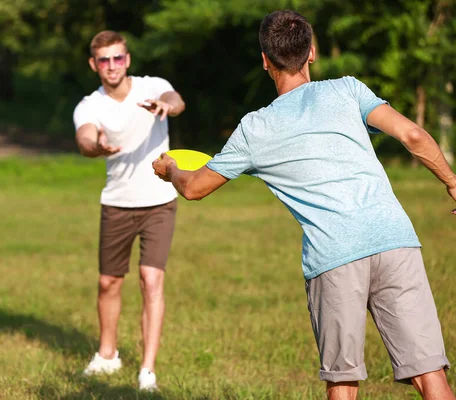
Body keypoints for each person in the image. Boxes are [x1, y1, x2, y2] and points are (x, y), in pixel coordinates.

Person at [152, 10, 456, 400]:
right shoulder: (348, 89)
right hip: (394, 239)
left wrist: (171, 169)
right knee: (430, 374)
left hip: (335, 255)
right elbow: (412, 134)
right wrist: (451, 182)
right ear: (311, 52)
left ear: (265, 60)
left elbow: (194, 188)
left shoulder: (255, 128)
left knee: (343, 382)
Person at [73, 30, 185, 391]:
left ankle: (147, 370)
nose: (111, 66)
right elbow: (85, 138)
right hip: (117, 203)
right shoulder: (90, 105)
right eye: (104, 60)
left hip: (158, 201)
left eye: (118, 57)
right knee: (108, 282)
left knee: (151, 279)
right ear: (94, 65)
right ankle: (108, 355)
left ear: (128, 60)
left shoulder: (152, 87)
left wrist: (167, 106)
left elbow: (175, 99)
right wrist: (96, 146)